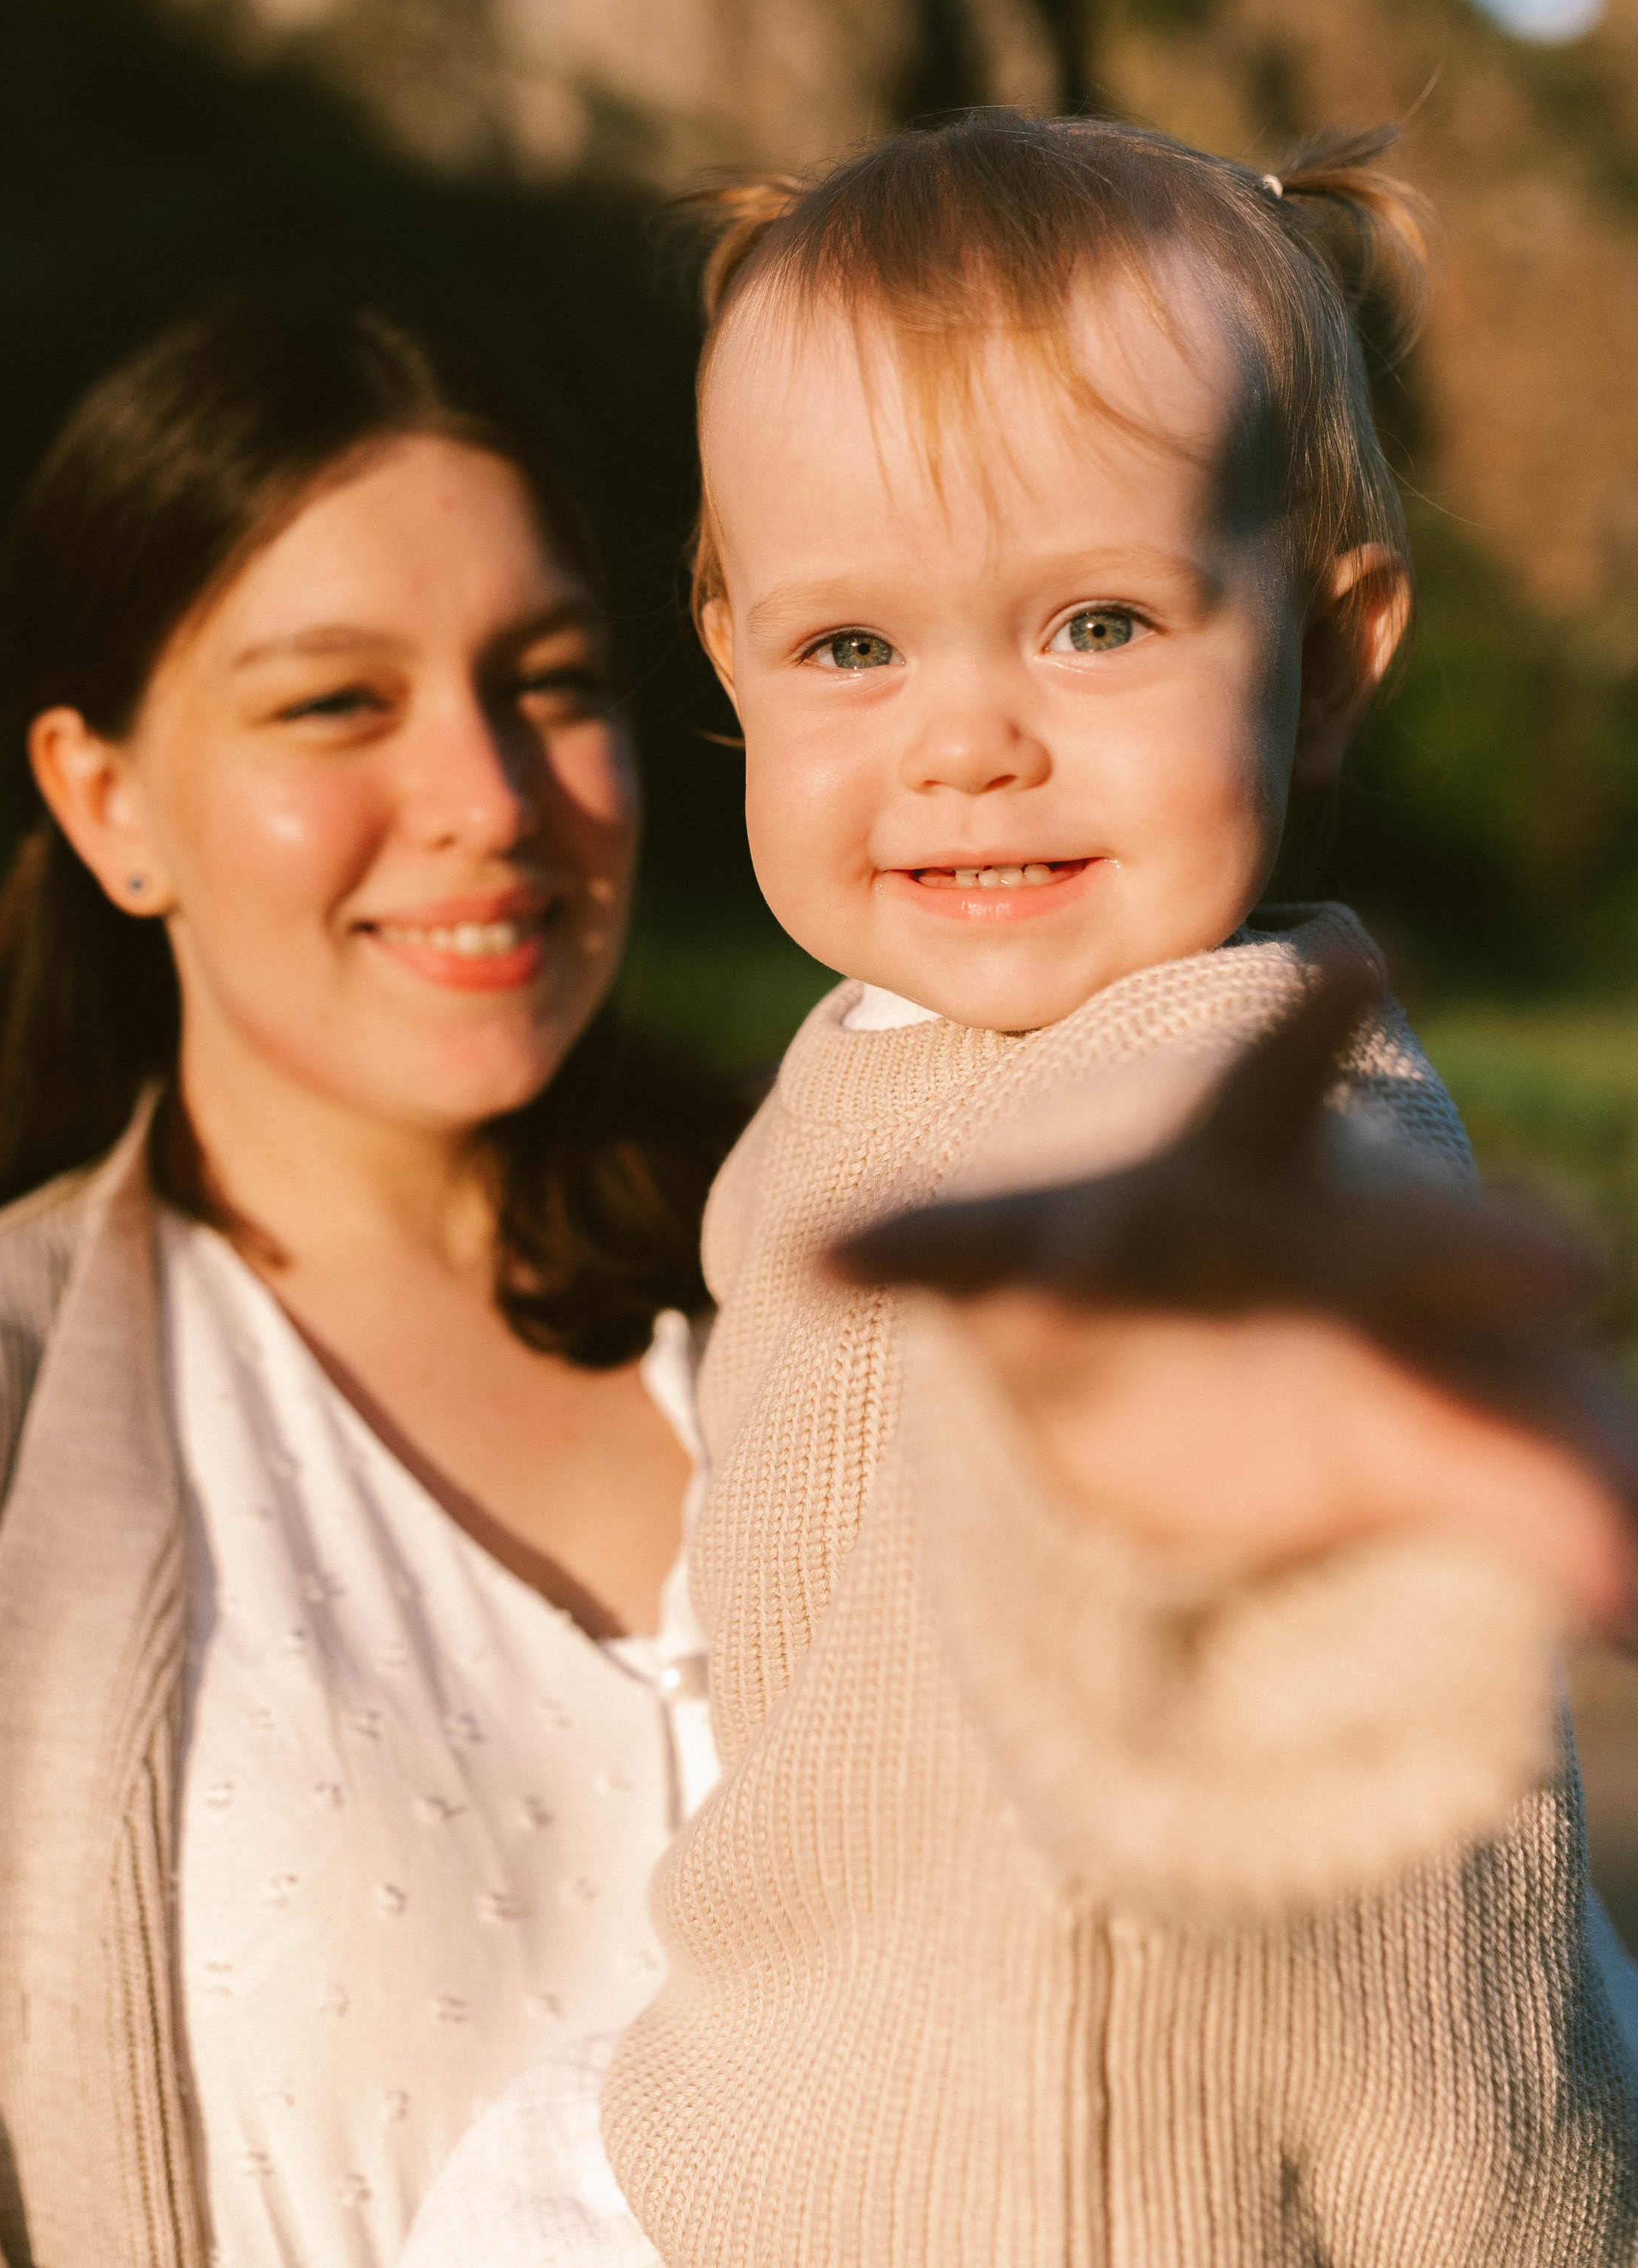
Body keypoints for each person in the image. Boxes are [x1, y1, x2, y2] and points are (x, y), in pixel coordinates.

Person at [402, 111, 1638, 2268]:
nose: (968, 739)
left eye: (1095, 623)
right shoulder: (849, 1075)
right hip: (816, 2116)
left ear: (1332, 651)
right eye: (855, 651)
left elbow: (1213, 1272)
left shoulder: (1236, 1079)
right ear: (726, 651)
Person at [0, 301, 743, 2266]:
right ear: (107, 801)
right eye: (336, 704)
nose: (487, 795)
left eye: (546, 681)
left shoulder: (886, 1299)